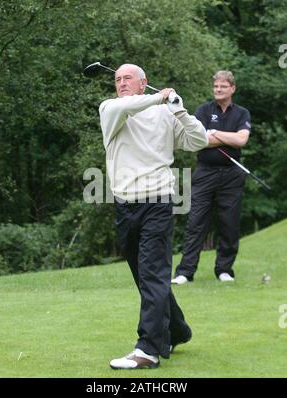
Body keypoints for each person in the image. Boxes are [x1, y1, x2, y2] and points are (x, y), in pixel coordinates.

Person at [99, 63, 208, 369]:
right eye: (117, 79)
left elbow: (198, 141)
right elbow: (131, 104)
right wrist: (160, 97)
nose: (121, 83)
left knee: (152, 274)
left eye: (127, 78)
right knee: (145, 275)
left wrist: (180, 110)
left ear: (142, 82)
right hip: (125, 205)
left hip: (158, 202)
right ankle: (177, 330)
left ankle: (148, 348)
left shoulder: (164, 112)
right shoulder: (111, 110)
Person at [172, 70, 251, 285]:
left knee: (229, 223)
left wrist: (214, 133)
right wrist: (226, 137)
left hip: (232, 175)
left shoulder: (242, 113)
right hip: (205, 171)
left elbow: (241, 140)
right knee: (196, 222)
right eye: (216, 86)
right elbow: (199, 140)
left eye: (223, 86)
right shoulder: (203, 110)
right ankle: (185, 272)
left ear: (232, 88)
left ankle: (224, 269)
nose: (218, 90)